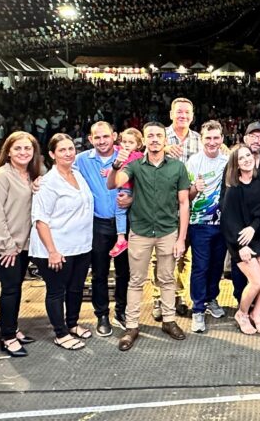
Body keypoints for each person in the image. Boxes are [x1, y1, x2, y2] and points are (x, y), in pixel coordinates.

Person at [108, 122, 190, 350]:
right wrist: (116, 165)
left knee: (167, 278)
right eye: (150, 135)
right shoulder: (134, 166)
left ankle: (169, 320)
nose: (154, 139)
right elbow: (113, 184)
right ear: (144, 140)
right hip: (140, 231)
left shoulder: (177, 167)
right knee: (136, 281)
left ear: (165, 140)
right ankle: (131, 326)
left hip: (168, 231)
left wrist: (181, 239)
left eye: (158, 136)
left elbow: (184, 203)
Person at [31, 134, 94, 351]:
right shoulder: (47, 183)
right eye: (62, 150)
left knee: (76, 288)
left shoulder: (78, 174)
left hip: (81, 245)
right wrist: (52, 251)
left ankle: (72, 324)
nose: (68, 153)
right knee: (57, 291)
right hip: (56, 247)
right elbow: (40, 220)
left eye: (70, 149)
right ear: (52, 154)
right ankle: (60, 333)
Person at [0, 132, 41, 357]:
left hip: (22, 244)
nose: (23, 152)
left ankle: (13, 328)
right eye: (18, 148)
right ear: (8, 151)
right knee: (10, 289)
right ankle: (7, 337)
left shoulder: (32, 175)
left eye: (27, 148)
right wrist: (6, 245)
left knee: (16, 287)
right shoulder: (1, 177)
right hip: (4, 244)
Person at [73, 122, 129, 337]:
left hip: (125, 223)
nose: (102, 141)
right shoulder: (81, 160)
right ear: (90, 139)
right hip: (98, 224)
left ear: (114, 136)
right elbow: (62, 175)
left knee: (125, 272)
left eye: (106, 136)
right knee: (99, 273)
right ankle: (102, 315)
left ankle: (121, 311)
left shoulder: (128, 156)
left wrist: (131, 198)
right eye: (97, 137)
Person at [220, 145, 260, 335]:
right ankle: (242, 313)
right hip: (239, 241)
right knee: (257, 281)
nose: (246, 160)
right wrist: (240, 246)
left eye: (248, 155)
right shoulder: (233, 189)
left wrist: (253, 227)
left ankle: (256, 314)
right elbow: (228, 222)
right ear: (236, 164)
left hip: (258, 234)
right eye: (241, 158)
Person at [185, 121, 230, 333]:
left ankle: (211, 299)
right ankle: (198, 309)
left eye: (216, 138)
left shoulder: (228, 161)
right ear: (201, 139)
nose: (212, 142)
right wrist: (195, 188)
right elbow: (186, 196)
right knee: (200, 267)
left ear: (222, 139)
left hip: (223, 224)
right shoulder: (194, 162)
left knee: (217, 266)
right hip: (199, 223)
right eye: (208, 138)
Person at [161, 98, 198, 317]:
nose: (183, 115)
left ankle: (180, 296)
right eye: (179, 112)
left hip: (191, 205)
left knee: (185, 256)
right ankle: (159, 298)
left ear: (192, 116)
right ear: (171, 114)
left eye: (187, 112)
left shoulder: (199, 140)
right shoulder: (160, 136)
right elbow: (140, 156)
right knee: (162, 256)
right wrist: (163, 149)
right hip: (164, 206)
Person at [230, 121, 260, 303]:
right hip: (240, 226)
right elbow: (228, 201)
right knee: (242, 264)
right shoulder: (234, 161)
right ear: (245, 138)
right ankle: (241, 300)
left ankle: (259, 303)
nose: (257, 140)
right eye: (253, 136)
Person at [112, 128, 146, 257]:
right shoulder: (121, 151)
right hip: (121, 186)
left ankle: (121, 238)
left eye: (131, 142)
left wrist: (109, 172)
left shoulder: (137, 156)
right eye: (124, 141)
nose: (126, 145)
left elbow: (124, 169)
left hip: (129, 188)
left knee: (120, 211)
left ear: (138, 145)